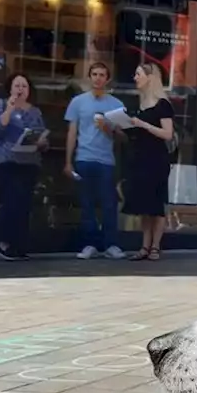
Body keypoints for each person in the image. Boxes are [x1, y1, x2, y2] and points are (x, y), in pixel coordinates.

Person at [64, 61, 126, 260]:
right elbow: (72, 132)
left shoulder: (116, 105)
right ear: (89, 77)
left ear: (107, 79)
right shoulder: (78, 102)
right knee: (86, 203)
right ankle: (89, 243)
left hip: (106, 159)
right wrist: (68, 161)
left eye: (102, 75)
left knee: (109, 203)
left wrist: (108, 128)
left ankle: (111, 244)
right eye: (94, 74)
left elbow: (123, 137)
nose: (98, 78)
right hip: (84, 157)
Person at [0, 73, 48, 261]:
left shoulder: (35, 112)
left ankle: (19, 245)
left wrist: (42, 143)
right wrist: (9, 110)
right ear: (10, 89)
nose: (20, 90)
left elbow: (43, 137)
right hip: (6, 159)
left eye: (24, 86)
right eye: (17, 86)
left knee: (24, 203)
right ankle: (4, 242)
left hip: (29, 161)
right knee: (12, 198)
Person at [123, 62, 175, 261]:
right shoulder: (140, 105)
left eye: (138, 74)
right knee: (144, 205)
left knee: (156, 203)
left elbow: (168, 133)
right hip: (140, 158)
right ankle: (144, 246)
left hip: (157, 159)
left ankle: (156, 246)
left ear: (149, 77)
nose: (135, 78)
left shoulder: (163, 104)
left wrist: (143, 124)